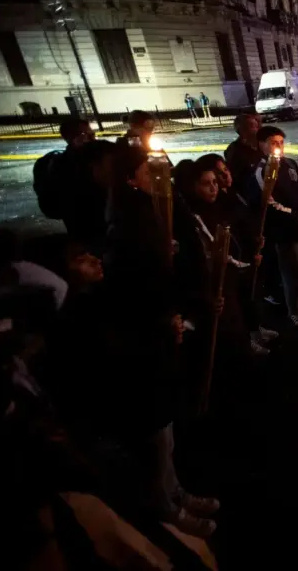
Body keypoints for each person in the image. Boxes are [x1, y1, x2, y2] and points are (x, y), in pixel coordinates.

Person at [102, 145, 220, 537]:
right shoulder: (125, 229)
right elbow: (133, 292)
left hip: (161, 333)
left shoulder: (154, 214)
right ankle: (164, 509)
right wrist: (164, 316)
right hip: (144, 344)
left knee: (165, 431)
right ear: (129, 180)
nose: (158, 179)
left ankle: (174, 491)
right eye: (147, 172)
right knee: (154, 434)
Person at [197, 153, 278, 354]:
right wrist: (244, 257)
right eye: (219, 174)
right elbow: (230, 233)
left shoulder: (234, 194)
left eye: (226, 170)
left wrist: (255, 242)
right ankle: (249, 337)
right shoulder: (217, 204)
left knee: (253, 294)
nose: (226, 176)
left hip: (248, 254)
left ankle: (256, 328)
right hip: (236, 260)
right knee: (242, 300)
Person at [250, 126, 298, 326]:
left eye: (281, 143)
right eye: (274, 143)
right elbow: (272, 205)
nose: (279, 147)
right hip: (285, 231)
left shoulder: (290, 163)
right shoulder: (262, 171)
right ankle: (295, 310)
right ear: (262, 145)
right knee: (294, 272)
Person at [33, 118, 97, 221]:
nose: (93, 138)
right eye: (88, 135)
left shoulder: (93, 156)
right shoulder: (66, 164)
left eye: (93, 134)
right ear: (73, 138)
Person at [61, 139, 116, 253]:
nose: (118, 168)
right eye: (113, 163)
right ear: (94, 166)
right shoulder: (83, 199)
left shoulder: (107, 187)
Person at [224, 113, 263, 186]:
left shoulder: (261, 144)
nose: (258, 129)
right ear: (242, 131)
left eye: (257, 126)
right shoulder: (234, 152)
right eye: (253, 126)